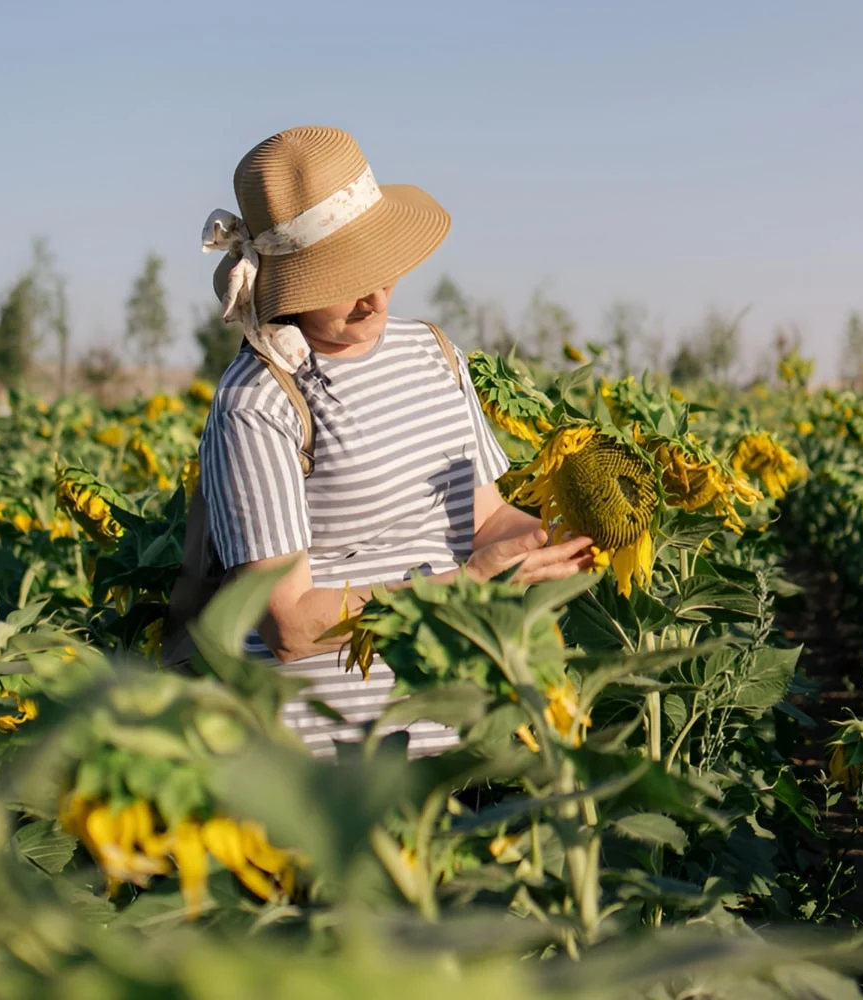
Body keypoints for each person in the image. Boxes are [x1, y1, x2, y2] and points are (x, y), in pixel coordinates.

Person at [197, 125, 594, 760]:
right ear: (288, 286)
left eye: (377, 265)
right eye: (339, 278)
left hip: (460, 747)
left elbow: (484, 519)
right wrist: (461, 591)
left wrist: (567, 538)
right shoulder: (259, 401)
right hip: (324, 766)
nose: (373, 296)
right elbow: (290, 625)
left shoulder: (432, 352)